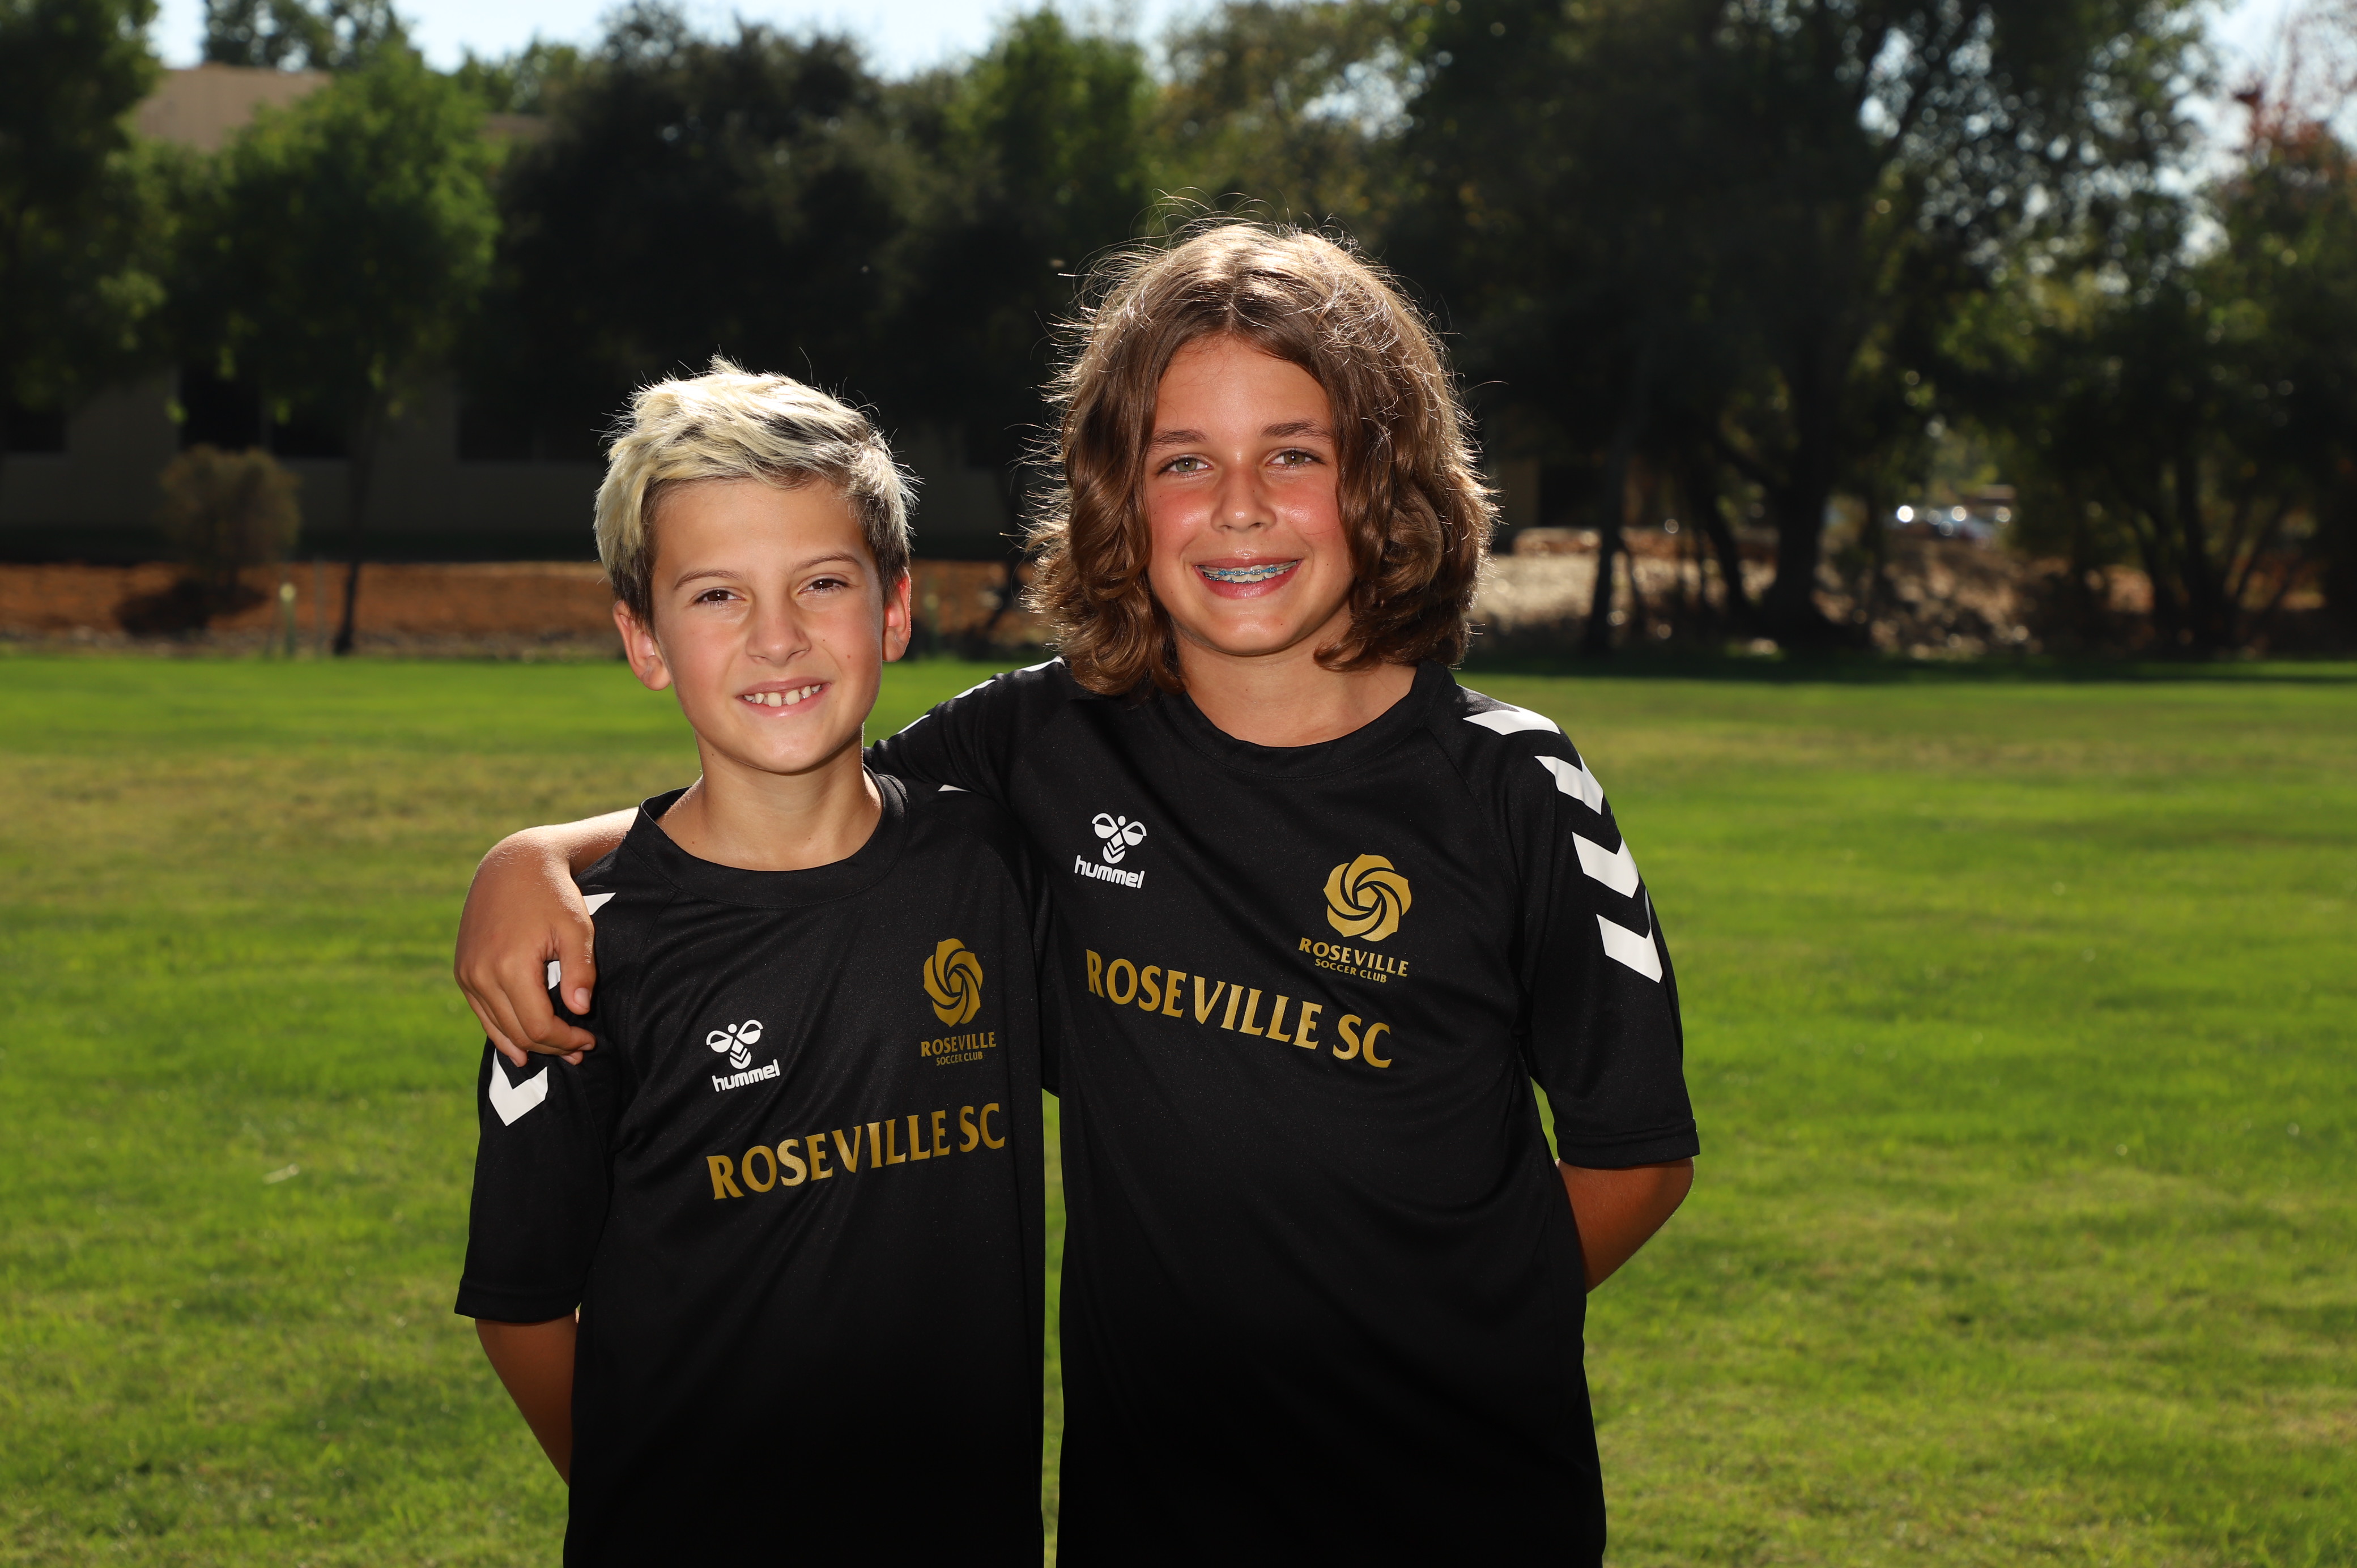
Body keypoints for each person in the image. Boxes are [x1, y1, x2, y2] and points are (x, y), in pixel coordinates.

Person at [456, 226, 1696, 1562]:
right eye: (1183, 461)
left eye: (1294, 453)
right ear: (1121, 492)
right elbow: (798, 796)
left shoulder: (1513, 787)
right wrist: (534, 856)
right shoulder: (1042, 743)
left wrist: (1435, 1343)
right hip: (1149, 1511)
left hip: (1457, 1507)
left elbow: (1635, 1157)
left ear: (1381, 474)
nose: (1238, 506)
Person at [454, 362, 1045, 1565]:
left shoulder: (991, 865)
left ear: (894, 609)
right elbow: (523, 1309)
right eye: (717, 595)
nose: (778, 637)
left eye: (823, 583)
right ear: (644, 639)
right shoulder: (581, 950)